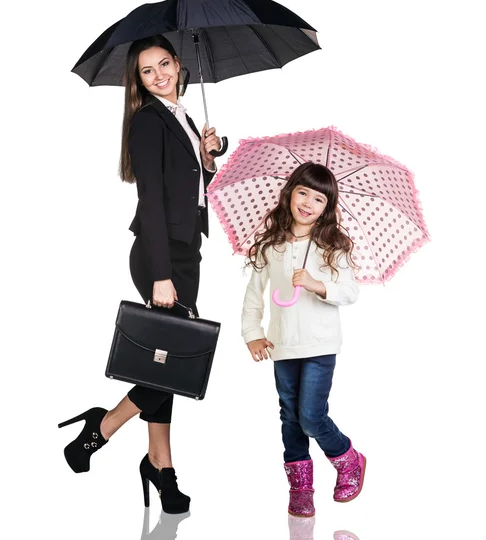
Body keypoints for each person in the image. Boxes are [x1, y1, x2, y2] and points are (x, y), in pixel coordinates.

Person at [59, 35, 222, 514]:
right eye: (147, 71)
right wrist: (160, 274)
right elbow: (150, 200)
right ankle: (102, 428)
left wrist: (207, 160)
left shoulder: (183, 118)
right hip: (162, 255)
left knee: (165, 361)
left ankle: (160, 466)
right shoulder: (149, 121)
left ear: (178, 64)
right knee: (171, 362)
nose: (158, 75)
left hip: (184, 250)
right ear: (137, 80)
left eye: (164, 64)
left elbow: (189, 189)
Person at [241, 162, 366, 517]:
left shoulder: (331, 245)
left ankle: (347, 458)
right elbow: (253, 295)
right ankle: (300, 486)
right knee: (290, 417)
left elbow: (350, 291)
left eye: (319, 199)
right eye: (303, 193)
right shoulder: (271, 245)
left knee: (311, 416)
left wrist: (316, 284)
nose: (309, 203)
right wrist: (253, 334)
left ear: (327, 208)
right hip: (282, 344)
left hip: (320, 345)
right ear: (290, 193)